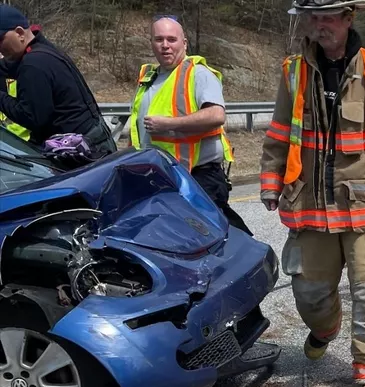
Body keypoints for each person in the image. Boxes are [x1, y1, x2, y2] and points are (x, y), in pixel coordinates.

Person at [259, 0, 365, 387]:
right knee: (310, 295)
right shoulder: (294, 72)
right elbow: (279, 134)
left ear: (349, 19)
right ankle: (325, 330)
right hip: (309, 207)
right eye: (313, 17)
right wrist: (270, 183)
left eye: (328, 16)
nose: (319, 25)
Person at [128, 15, 252, 235]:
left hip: (198, 177)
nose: (165, 45)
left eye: (171, 39)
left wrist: (169, 125)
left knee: (209, 239)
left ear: (184, 43)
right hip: (161, 177)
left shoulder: (197, 73)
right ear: (151, 43)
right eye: (159, 39)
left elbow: (216, 115)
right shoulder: (148, 78)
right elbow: (138, 129)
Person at [0, 6, 115, 158]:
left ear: (20, 33)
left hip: (81, 153)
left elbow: (32, 118)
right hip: (94, 143)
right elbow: (11, 66)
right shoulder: (42, 49)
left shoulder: (33, 63)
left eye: (0, 40)